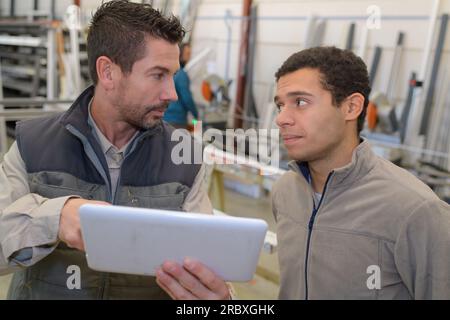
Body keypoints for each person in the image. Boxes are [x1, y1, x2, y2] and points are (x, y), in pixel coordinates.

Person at [0, 0, 229, 300]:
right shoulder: (32, 144)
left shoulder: (186, 160)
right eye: (158, 74)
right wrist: (56, 218)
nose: (172, 93)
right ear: (108, 72)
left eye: (173, 75)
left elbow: (208, 264)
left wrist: (220, 301)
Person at [272, 46, 450, 299]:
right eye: (281, 105)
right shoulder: (285, 191)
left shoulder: (417, 211)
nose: (281, 118)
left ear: (351, 107)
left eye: (300, 102)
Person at [163, 43, 199, 129]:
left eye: (190, 54)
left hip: (165, 118)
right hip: (177, 121)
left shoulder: (168, 72)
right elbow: (187, 98)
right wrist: (196, 115)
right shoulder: (181, 74)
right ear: (179, 53)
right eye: (187, 54)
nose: (189, 57)